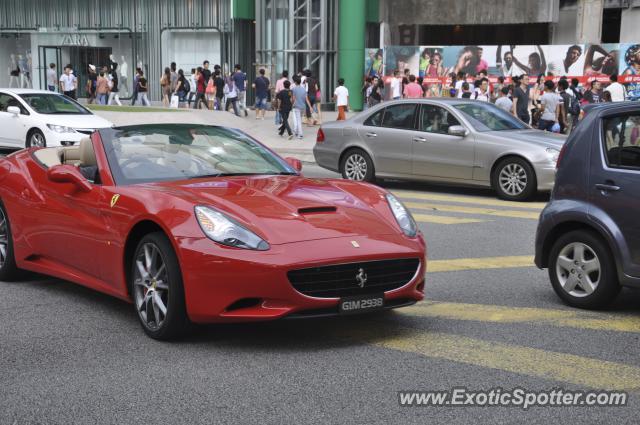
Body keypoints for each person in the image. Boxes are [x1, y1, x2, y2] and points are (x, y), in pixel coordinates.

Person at [291, 75, 311, 139]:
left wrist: (292, 104)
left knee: (298, 121)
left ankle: (300, 134)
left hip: (296, 106)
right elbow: (307, 99)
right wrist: (310, 107)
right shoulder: (304, 89)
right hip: (303, 107)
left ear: (295, 82)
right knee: (299, 119)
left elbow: (293, 99)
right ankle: (296, 132)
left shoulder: (294, 89)